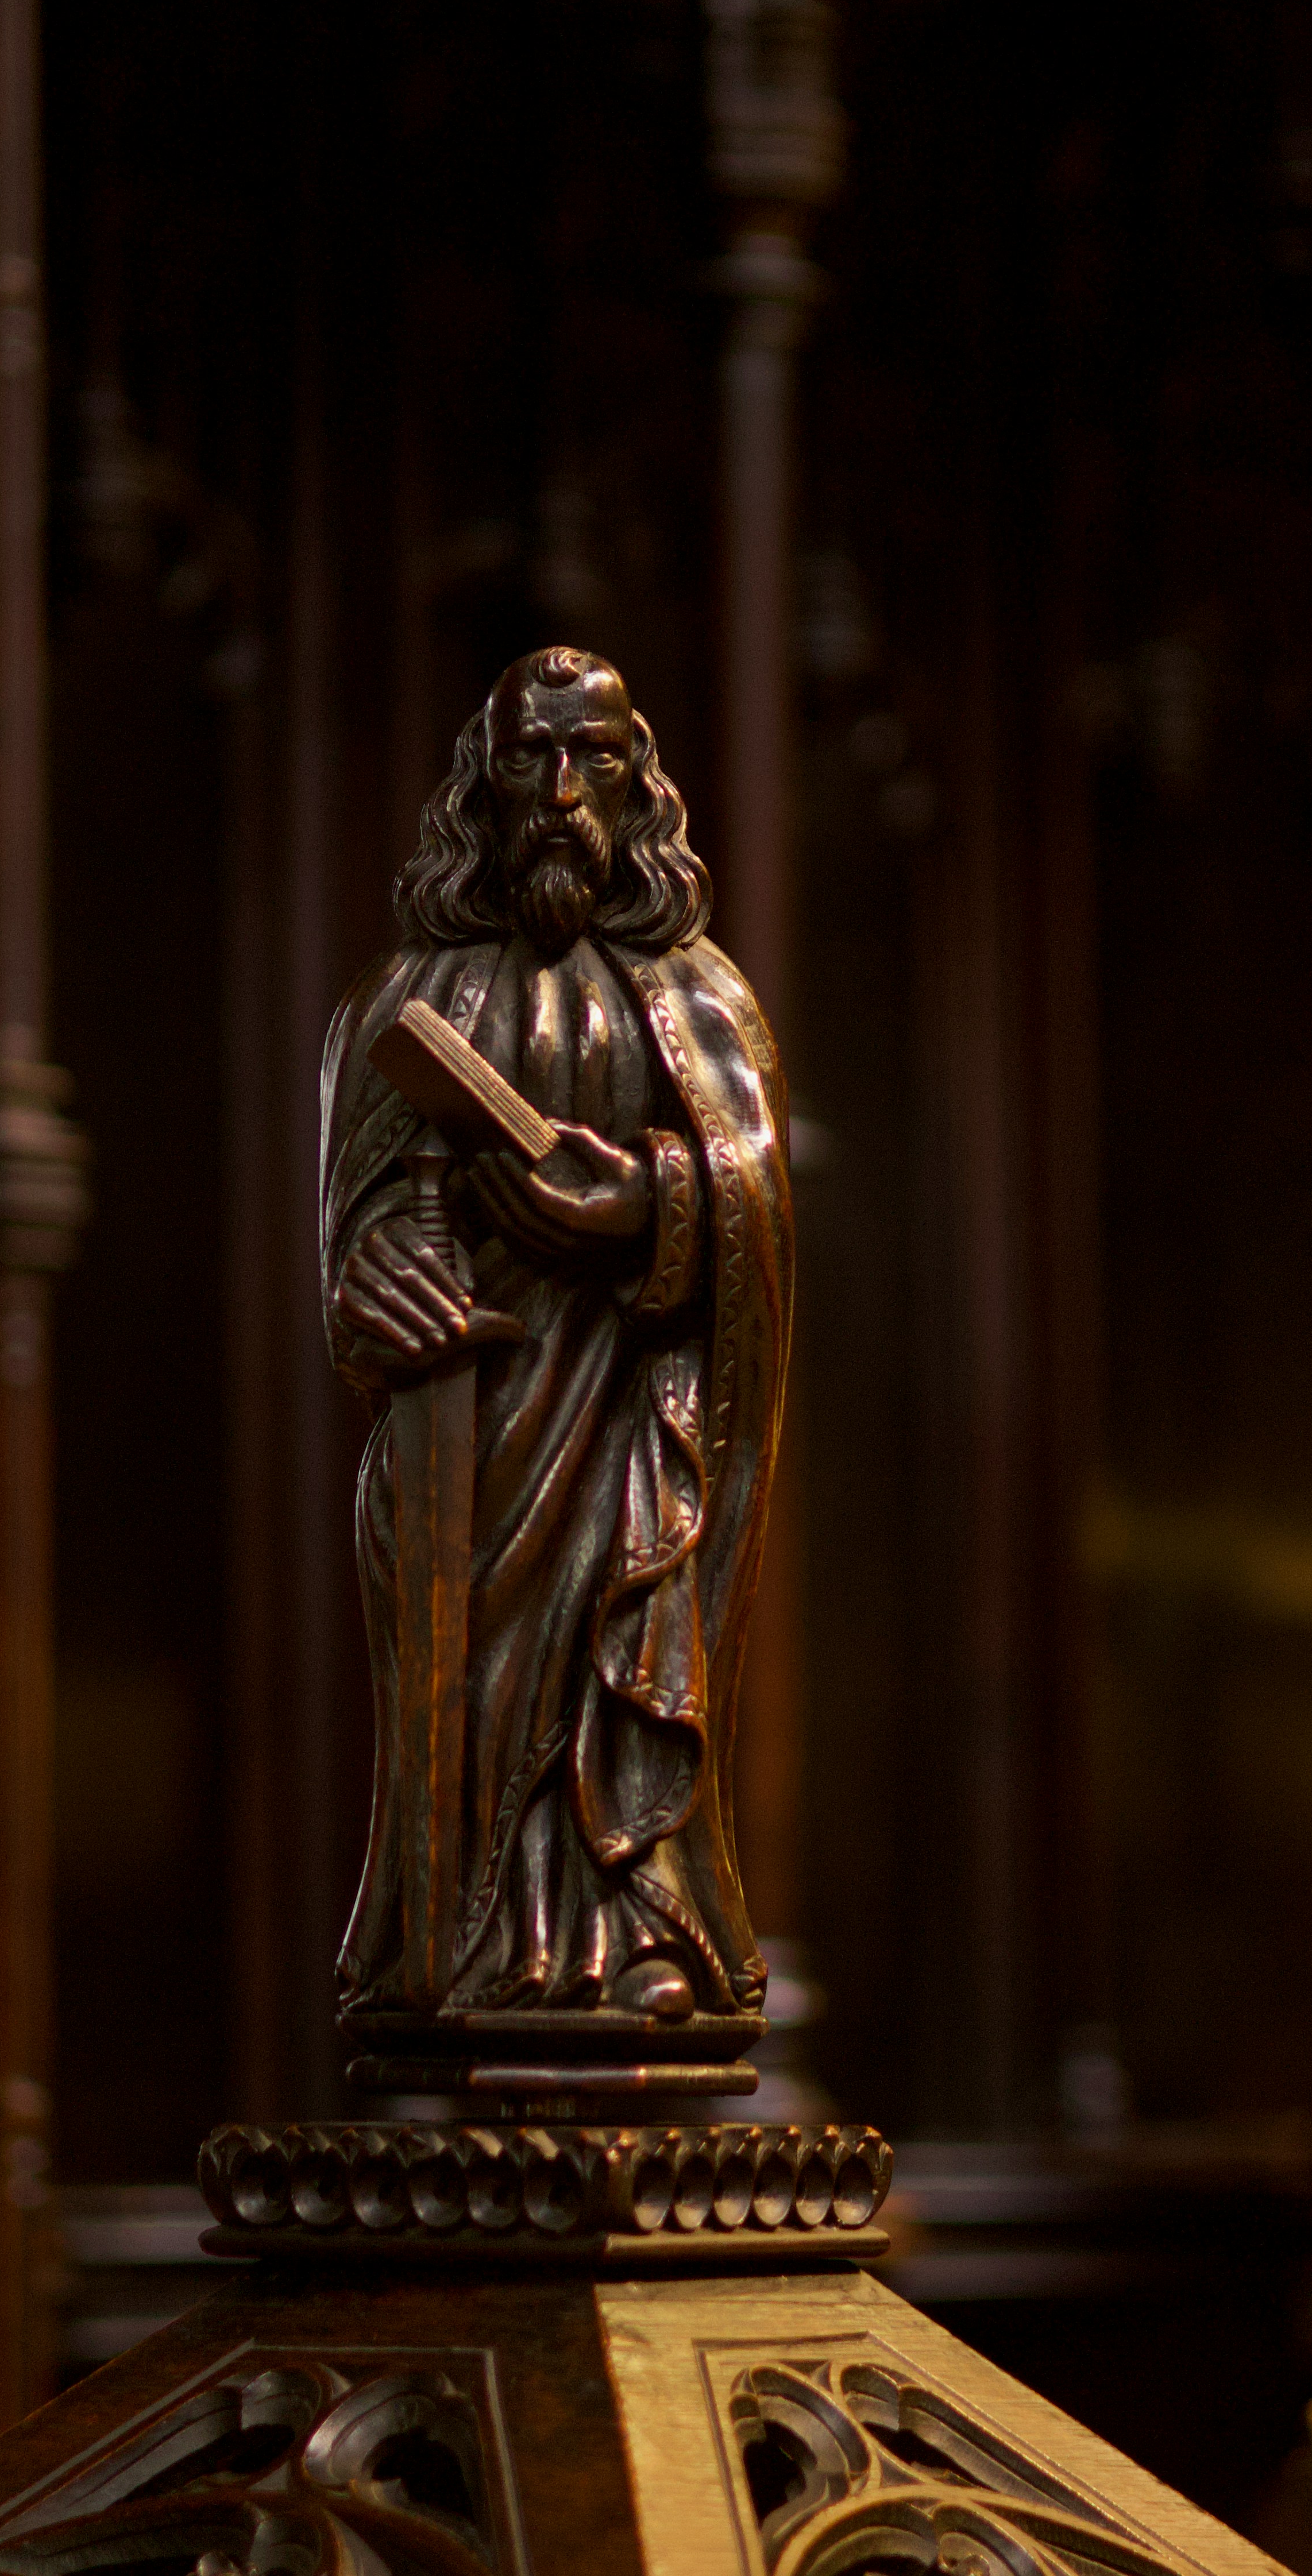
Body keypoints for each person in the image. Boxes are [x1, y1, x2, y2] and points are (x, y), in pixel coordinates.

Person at [320, 646, 791, 2026]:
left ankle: (639, 1921)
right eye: (530, 757)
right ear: (484, 783)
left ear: (641, 785)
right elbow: (349, 1232)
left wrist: (647, 1200)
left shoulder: (699, 999)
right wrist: (374, 1278)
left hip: (639, 1427)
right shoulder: (407, 1000)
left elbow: (761, 1209)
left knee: (627, 1656)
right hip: (466, 1434)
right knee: (459, 1706)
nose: (562, 792)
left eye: (594, 757)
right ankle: (448, 1949)